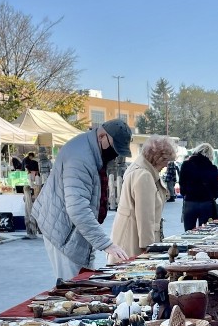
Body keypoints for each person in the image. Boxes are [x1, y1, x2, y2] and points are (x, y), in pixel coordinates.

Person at [32, 119, 133, 280]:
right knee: (74, 286)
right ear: (101, 136)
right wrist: (106, 244)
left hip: (73, 230)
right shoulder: (80, 157)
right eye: (114, 148)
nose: (115, 154)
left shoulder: (92, 149)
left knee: (84, 281)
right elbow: (78, 208)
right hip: (63, 232)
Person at [111, 134, 177, 258]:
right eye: (166, 161)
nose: (166, 165)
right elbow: (145, 218)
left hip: (128, 238)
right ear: (157, 158)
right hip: (133, 243)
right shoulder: (144, 176)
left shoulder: (140, 170)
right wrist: (150, 250)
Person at [179, 143, 218, 230]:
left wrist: (185, 193)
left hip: (190, 202)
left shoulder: (186, 165)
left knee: (189, 231)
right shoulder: (212, 168)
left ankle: (189, 243)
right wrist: (212, 196)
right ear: (210, 154)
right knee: (205, 231)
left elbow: (182, 183)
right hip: (206, 203)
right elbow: (216, 187)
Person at [23, 152, 42, 239]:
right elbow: (33, 184)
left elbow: (36, 184)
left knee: (32, 213)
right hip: (33, 196)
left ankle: (34, 229)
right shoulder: (31, 173)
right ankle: (33, 229)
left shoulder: (34, 174)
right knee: (31, 213)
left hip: (35, 195)